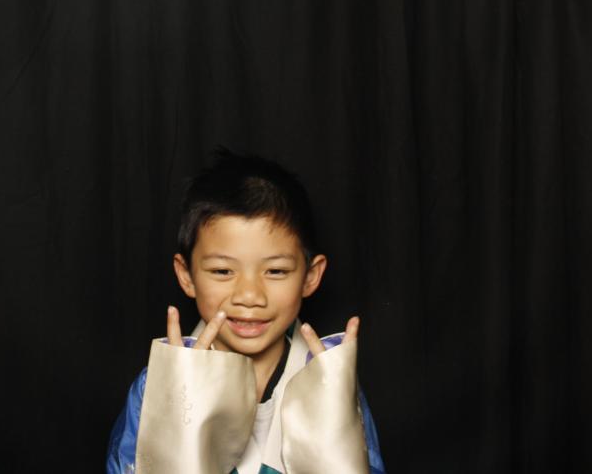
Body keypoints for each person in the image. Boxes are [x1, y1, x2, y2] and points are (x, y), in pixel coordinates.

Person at [106, 149, 386, 473]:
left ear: (310, 276)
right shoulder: (156, 387)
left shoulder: (331, 383)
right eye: (223, 271)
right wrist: (176, 435)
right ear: (187, 276)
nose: (250, 296)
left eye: (276, 271)